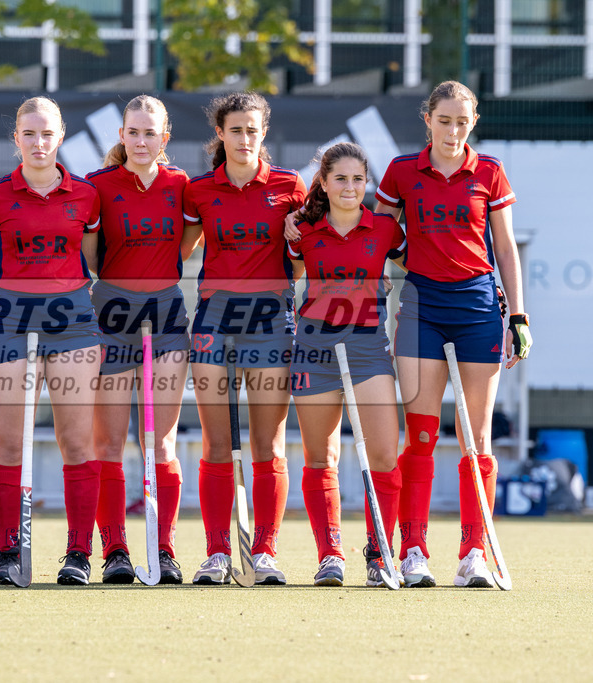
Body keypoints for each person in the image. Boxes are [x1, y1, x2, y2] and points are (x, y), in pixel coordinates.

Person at [374, 81, 531, 588]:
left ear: (473, 122)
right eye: (445, 120)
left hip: (479, 309)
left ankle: (473, 554)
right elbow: (378, 233)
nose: (454, 131)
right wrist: (402, 255)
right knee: (420, 436)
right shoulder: (402, 172)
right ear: (428, 120)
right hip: (421, 308)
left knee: (476, 437)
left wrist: (519, 317)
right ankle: (413, 549)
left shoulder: (488, 172)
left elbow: (505, 249)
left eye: (463, 122)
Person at [0, 96, 103, 586]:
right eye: (29, 134)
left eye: (47, 133)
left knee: (75, 440)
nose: (38, 142)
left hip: (73, 325)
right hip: (10, 323)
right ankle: (7, 553)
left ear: (61, 137)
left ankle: (78, 554)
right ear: (16, 139)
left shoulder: (85, 196)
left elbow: (94, 263)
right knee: (9, 441)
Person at [182, 92, 306, 585]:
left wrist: (297, 240)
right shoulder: (199, 191)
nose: (245, 139)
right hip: (214, 319)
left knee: (268, 443)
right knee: (216, 441)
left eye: (253, 130)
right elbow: (180, 251)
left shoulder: (289, 186)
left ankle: (266, 552)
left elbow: (301, 263)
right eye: (236, 130)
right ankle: (216, 553)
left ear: (263, 133)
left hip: (272, 320)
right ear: (221, 134)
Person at [85, 95, 201, 584]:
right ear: (121, 136)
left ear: (164, 139)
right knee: (108, 442)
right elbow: (91, 256)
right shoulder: (97, 186)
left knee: (160, 440)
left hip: (167, 312)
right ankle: (114, 549)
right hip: (110, 313)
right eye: (132, 132)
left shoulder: (182, 186)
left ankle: (164, 547)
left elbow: (188, 244)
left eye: (150, 132)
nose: (140, 140)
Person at [286, 142, 405, 587]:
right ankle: (330, 554)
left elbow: (423, 267)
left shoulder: (385, 230)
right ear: (323, 182)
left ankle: (380, 553)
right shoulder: (303, 231)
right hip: (314, 351)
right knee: (322, 457)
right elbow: (284, 275)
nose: (351, 187)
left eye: (358, 179)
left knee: (383, 454)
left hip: (369, 350)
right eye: (340, 179)